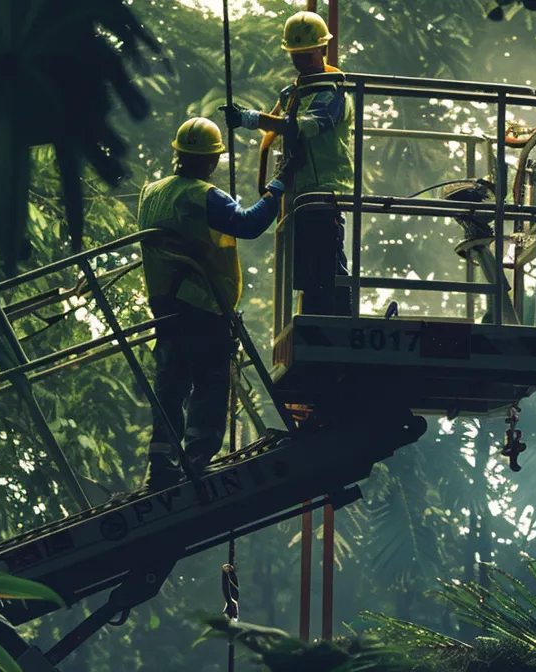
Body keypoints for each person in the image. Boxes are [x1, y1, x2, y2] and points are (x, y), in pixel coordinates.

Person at [138, 116, 286, 490]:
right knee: (209, 383)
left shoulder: (151, 191)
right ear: (212, 160)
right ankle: (197, 459)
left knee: (172, 384)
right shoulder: (203, 195)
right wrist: (279, 187)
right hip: (202, 305)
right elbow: (250, 225)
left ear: (177, 153)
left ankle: (161, 463)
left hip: (164, 304)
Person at [220, 10, 354, 317]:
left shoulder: (332, 90)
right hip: (300, 191)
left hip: (324, 191)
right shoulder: (295, 92)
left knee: (327, 262)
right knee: (307, 267)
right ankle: (317, 318)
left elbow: (307, 125)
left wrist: (251, 119)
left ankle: (340, 321)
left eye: (306, 55)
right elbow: (280, 128)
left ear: (321, 50)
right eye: (296, 57)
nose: (301, 62)